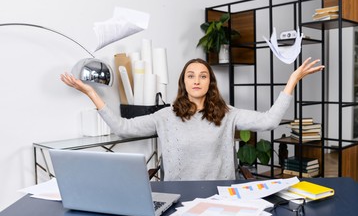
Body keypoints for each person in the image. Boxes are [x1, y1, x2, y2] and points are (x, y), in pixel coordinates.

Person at [61, 57, 324, 181]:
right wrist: (91, 93)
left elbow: (268, 121)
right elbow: (123, 128)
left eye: (202, 75)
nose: (196, 80)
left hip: (221, 196)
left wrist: (292, 82)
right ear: (183, 82)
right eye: (190, 75)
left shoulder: (227, 113)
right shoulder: (165, 116)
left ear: (210, 82)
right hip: (179, 198)